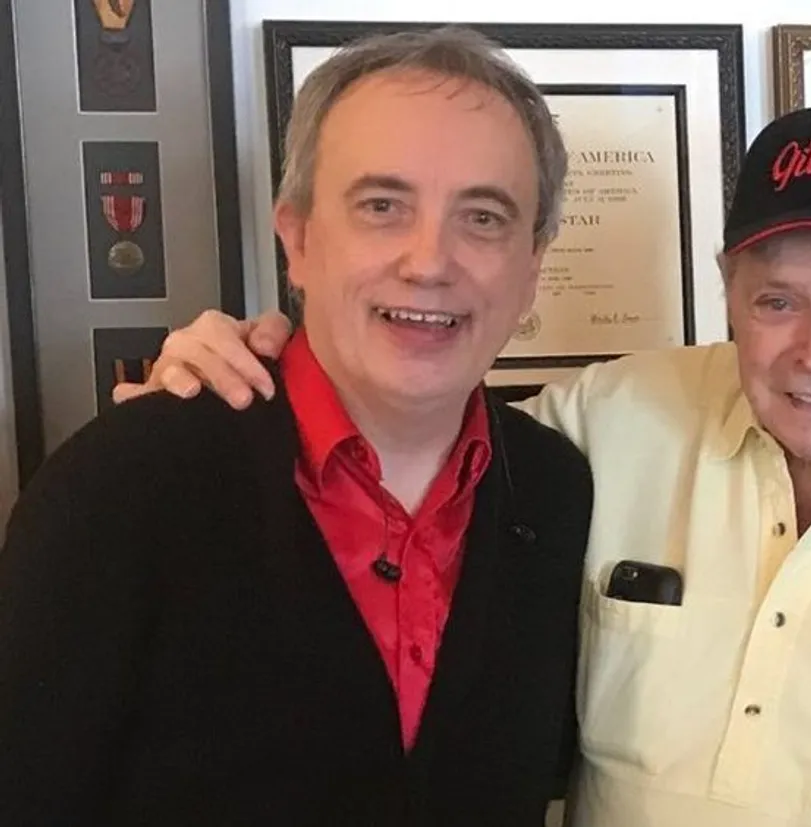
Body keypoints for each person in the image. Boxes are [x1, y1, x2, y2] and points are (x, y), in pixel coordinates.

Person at [130, 99, 811, 827]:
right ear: (729, 289)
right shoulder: (605, 420)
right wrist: (245, 374)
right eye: (777, 301)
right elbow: (400, 440)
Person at [0, 27, 595, 827]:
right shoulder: (124, 484)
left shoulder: (556, 494)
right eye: (382, 206)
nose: (429, 261)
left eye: (483, 217)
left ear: (531, 268)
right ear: (299, 239)